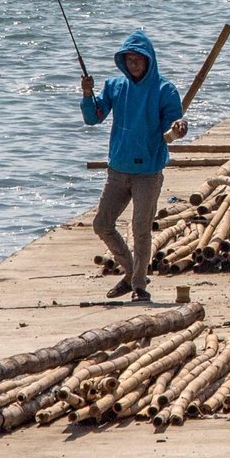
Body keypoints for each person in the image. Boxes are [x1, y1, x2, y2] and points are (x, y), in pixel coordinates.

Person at [81, 30, 187, 302]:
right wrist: (87, 94)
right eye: (128, 59)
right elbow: (94, 117)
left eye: (138, 59)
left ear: (149, 60)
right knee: (102, 224)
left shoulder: (165, 89)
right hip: (118, 169)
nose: (133, 64)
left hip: (148, 172)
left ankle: (139, 285)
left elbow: (174, 126)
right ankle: (130, 272)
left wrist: (178, 128)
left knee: (141, 228)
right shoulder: (115, 86)